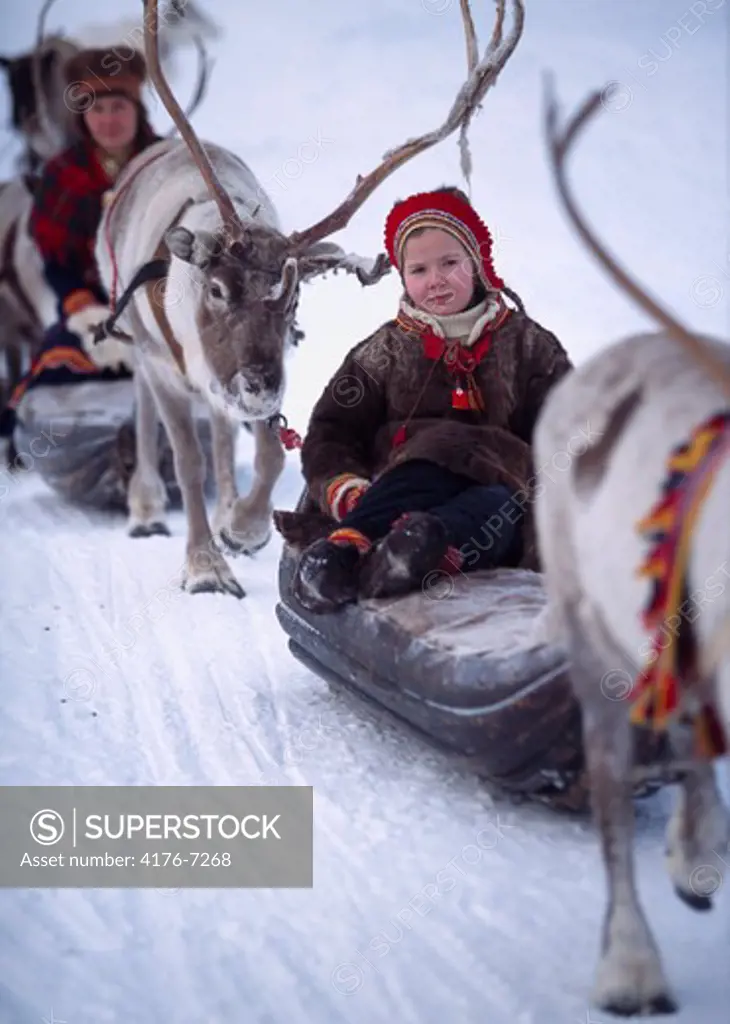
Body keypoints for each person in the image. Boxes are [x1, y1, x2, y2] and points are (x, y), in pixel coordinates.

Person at [274, 185, 574, 614]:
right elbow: (333, 429)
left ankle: (415, 552)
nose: (435, 281)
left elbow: (568, 426)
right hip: (405, 482)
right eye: (418, 270)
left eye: (449, 263)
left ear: (476, 262)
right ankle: (343, 552)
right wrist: (344, 486)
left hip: (497, 491)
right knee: (426, 466)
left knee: (493, 507)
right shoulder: (384, 352)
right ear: (403, 277)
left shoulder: (529, 346)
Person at [0, 45, 161, 442]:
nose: (108, 120)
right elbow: (56, 260)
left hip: (158, 302)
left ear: (136, 110)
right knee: (57, 359)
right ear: (83, 116)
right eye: (98, 110)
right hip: (89, 305)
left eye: (118, 108)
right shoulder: (62, 174)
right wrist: (77, 303)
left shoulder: (165, 164)